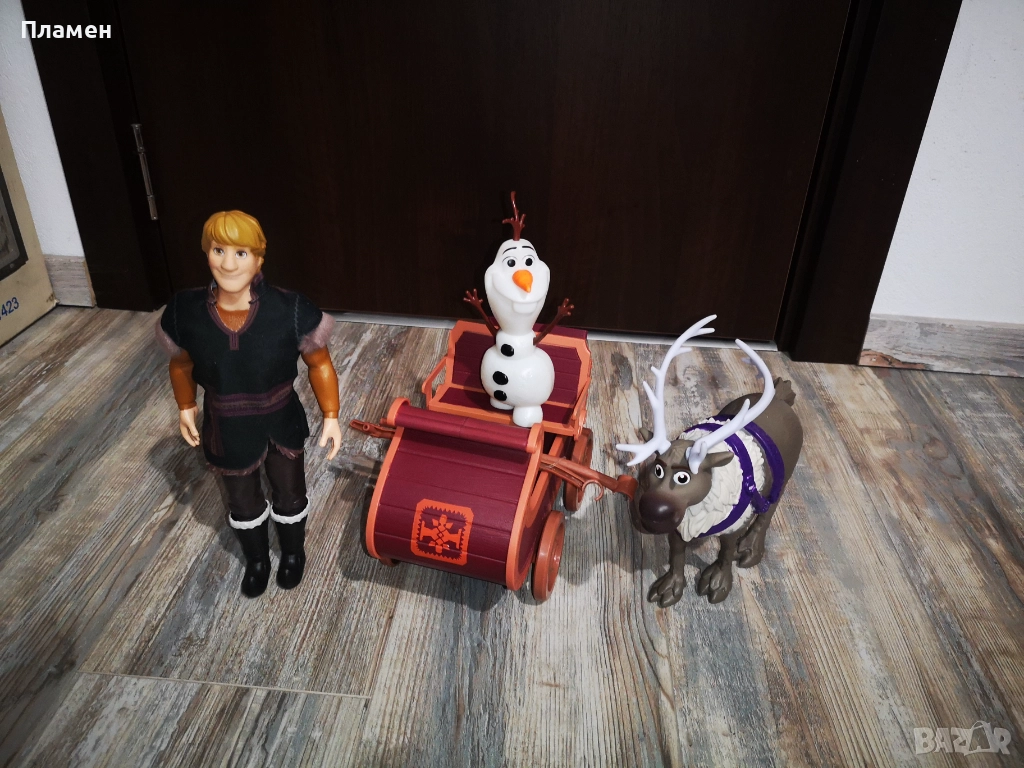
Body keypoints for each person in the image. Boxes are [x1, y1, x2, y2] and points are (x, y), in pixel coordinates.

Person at [155, 210, 341, 598]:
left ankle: (293, 553)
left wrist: (331, 414)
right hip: (226, 425)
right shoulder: (186, 311)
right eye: (218, 250)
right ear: (206, 253)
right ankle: (257, 560)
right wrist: (186, 405)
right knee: (242, 501)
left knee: (290, 491)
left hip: (280, 419)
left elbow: (319, 363)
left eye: (240, 253)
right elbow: (181, 362)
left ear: (258, 258)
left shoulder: (289, 309)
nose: (228, 263)